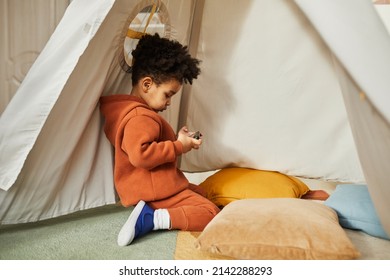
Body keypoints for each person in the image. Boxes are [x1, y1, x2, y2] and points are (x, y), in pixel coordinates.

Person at [99, 33, 220, 246]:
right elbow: (141, 155)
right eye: (168, 94)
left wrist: (180, 139)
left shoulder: (129, 112)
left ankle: (151, 209)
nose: (169, 102)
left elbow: (149, 145)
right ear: (147, 84)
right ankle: (153, 218)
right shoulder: (140, 116)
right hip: (154, 190)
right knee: (210, 212)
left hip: (153, 187)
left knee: (200, 193)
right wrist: (179, 146)